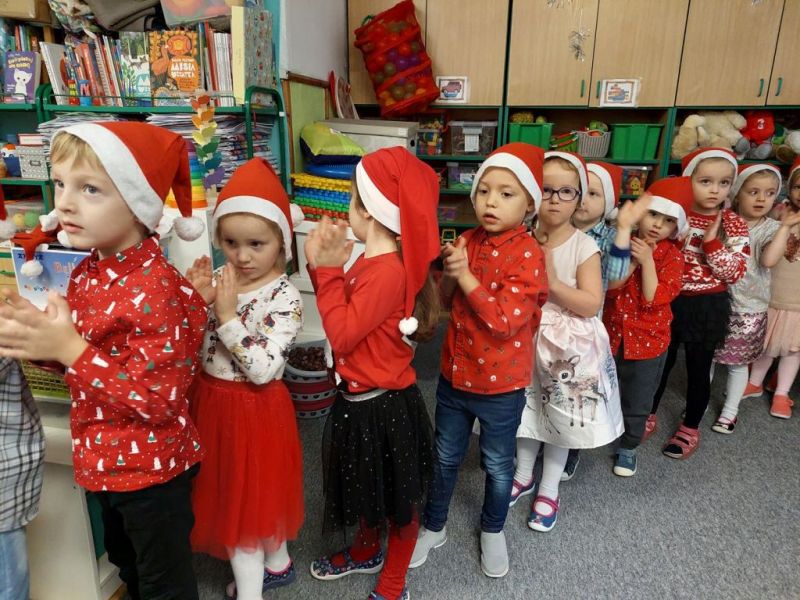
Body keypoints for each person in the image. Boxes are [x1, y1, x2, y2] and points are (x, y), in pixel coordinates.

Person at [0, 122, 208, 599]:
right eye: (60, 184)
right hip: (103, 462)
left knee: (165, 585)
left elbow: (158, 401)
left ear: (137, 204)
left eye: (89, 189)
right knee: (127, 565)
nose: (65, 203)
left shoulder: (156, 288)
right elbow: (91, 362)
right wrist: (43, 345)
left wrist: (69, 349)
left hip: (152, 475)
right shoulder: (88, 271)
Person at [306, 147, 441, 600]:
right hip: (357, 403)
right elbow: (345, 315)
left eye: (351, 198)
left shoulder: (387, 272)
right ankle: (366, 550)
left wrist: (327, 271)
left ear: (367, 209)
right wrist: (324, 268)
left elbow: (342, 335)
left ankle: (393, 583)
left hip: (384, 409)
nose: (348, 208)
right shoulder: (370, 262)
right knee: (365, 486)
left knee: (401, 504)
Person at [410, 143, 548, 579]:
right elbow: (447, 300)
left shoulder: (529, 253)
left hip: (501, 387)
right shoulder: (467, 240)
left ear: (529, 204)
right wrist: (452, 274)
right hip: (454, 376)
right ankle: (434, 526)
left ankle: (492, 529)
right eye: (484, 190)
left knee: (498, 465)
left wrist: (466, 275)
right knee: (444, 456)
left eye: (507, 193)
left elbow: (505, 322)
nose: (491, 201)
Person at [186, 158, 305, 600]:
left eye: (256, 243)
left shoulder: (286, 296)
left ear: (281, 242)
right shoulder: (224, 278)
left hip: (255, 413)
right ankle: (278, 564)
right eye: (230, 243)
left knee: (244, 513)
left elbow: (263, 369)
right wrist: (194, 303)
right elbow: (197, 346)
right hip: (213, 404)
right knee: (243, 499)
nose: (241, 256)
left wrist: (225, 315)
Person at [512, 151, 622, 532]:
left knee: (561, 419)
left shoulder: (584, 246)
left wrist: (552, 282)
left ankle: (549, 487)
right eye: (546, 190)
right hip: (527, 337)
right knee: (526, 411)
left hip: (567, 347)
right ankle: (523, 474)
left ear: (578, 199)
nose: (555, 199)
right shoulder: (523, 237)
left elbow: (591, 303)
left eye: (566, 191)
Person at [650, 147, 749, 458]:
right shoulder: (675, 215)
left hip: (708, 303)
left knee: (698, 367)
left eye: (724, 183)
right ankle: (647, 412)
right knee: (659, 363)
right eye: (705, 181)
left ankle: (690, 426)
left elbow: (734, 272)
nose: (715, 190)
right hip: (669, 299)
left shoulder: (733, 224)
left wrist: (711, 242)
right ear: (688, 180)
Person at [604, 177, 688, 475]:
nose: (657, 225)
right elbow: (611, 288)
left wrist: (649, 261)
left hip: (648, 341)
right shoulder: (620, 241)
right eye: (653, 214)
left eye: (668, 221)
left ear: (675, 227)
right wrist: (634, 261)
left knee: (638, 399)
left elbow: (653, 297)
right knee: (602, 390)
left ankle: (628, 447)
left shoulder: (673, 256)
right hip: (612, 334)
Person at [712, 164, 798, 431]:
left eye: (770, 193)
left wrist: (785, 228)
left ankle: (730, 411)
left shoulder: (773, 228)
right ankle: (698, 403)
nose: (762, 199)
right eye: (753, 192)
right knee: (706, 359)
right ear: (738, 193)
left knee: (738, 365)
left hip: (749, 309)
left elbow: (769, 260)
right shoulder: (724, 221)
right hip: (716, 302)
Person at [563, 160, 633, 480]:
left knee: (576, 390)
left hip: (583, 326)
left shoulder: (607, 237)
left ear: (609, 204)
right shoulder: (554, 226)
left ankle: (570, 449)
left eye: (594, 194)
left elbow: (616, 277)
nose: (584, 200)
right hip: (549, 321)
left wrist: (624, 232)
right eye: (579, 191)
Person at [744, 157, 800, 419]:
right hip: (771, 293)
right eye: (798, 186)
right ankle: (754, 381)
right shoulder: (779, 212)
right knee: (766, 343)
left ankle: (782, 393)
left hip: (797, 300)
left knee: (792, 349)